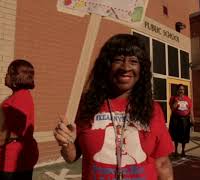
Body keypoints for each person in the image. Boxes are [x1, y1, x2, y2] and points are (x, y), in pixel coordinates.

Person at [54, 34, 174, 180]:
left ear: (141, 69)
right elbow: (71, 157)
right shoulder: (87, 105)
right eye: (118, 60)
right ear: (106, 66)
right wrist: (66, 143)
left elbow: (162, 164)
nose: (125, 67)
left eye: (133, 61)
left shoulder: (153, 109)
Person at [169, 84, 193, 158]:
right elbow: (172, 108)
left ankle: (183, 150)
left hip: (185, 120)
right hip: (176, 119)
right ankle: (176, 151)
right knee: (176, 135)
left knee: (184, 135)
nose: (181, 91)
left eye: (182, 89)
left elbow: (190, 110)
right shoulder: (173, 98)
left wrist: (192, 119)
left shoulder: (188, 99)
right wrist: (176, 101)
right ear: (177, 90)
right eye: (180, 89)